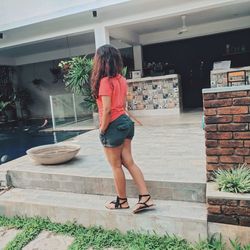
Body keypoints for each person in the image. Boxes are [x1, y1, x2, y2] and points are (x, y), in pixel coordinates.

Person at [91, 44, 155, 213]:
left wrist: (102, 128)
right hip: (126, 123)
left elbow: (107, 109)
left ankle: (122, 201)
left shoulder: (105, 82)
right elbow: (121, 104)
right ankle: (145, 197)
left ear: (101, 61)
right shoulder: (121, 78)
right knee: (129, 162)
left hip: (113, 124)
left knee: (116, 166)